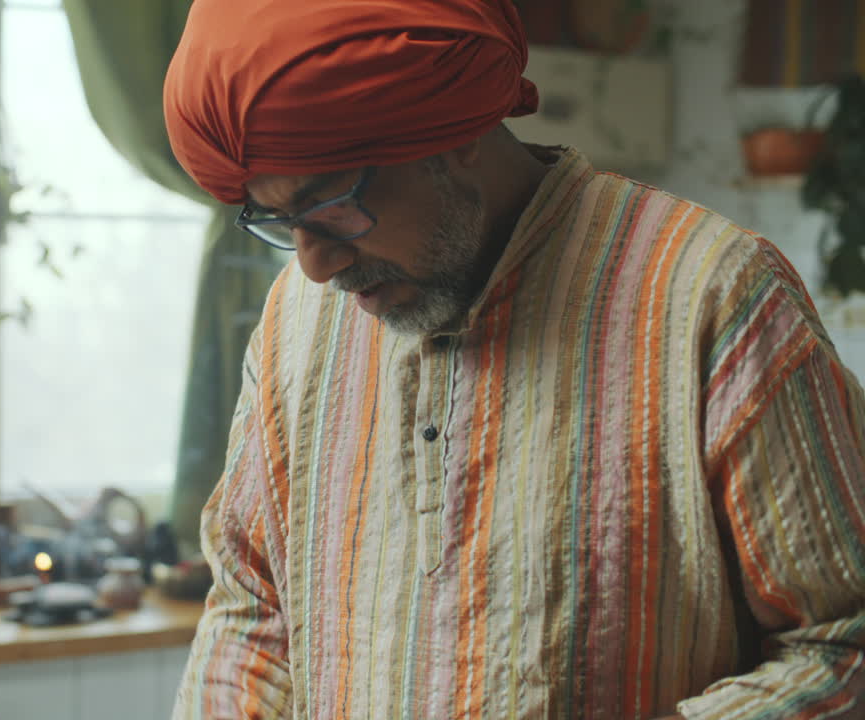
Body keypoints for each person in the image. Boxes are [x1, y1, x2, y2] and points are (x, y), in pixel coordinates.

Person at [161, 1, 865, 719]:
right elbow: (252, 616)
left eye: (332, 203)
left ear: (454, 131)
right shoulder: (295, 323)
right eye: (277, 219)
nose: (314, 265)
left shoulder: (713, 298)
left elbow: (843, 647)